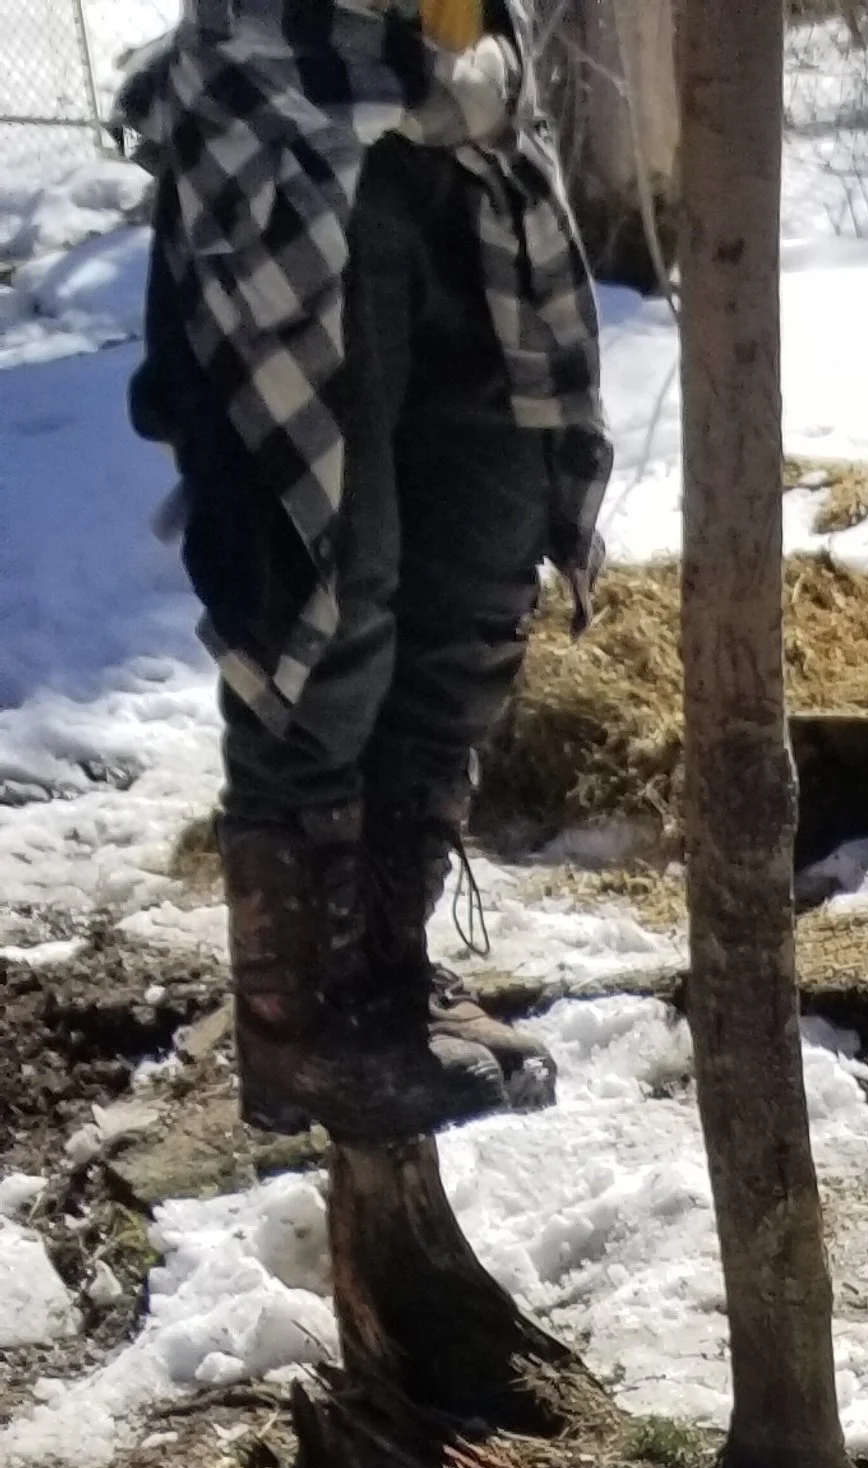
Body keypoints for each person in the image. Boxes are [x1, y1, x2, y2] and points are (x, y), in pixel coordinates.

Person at [118, 0, 611, 1143]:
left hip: (467, 115)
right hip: (282, 114)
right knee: (318, 598)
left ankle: (386, 973)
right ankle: (301, 1027)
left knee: (478, 574)